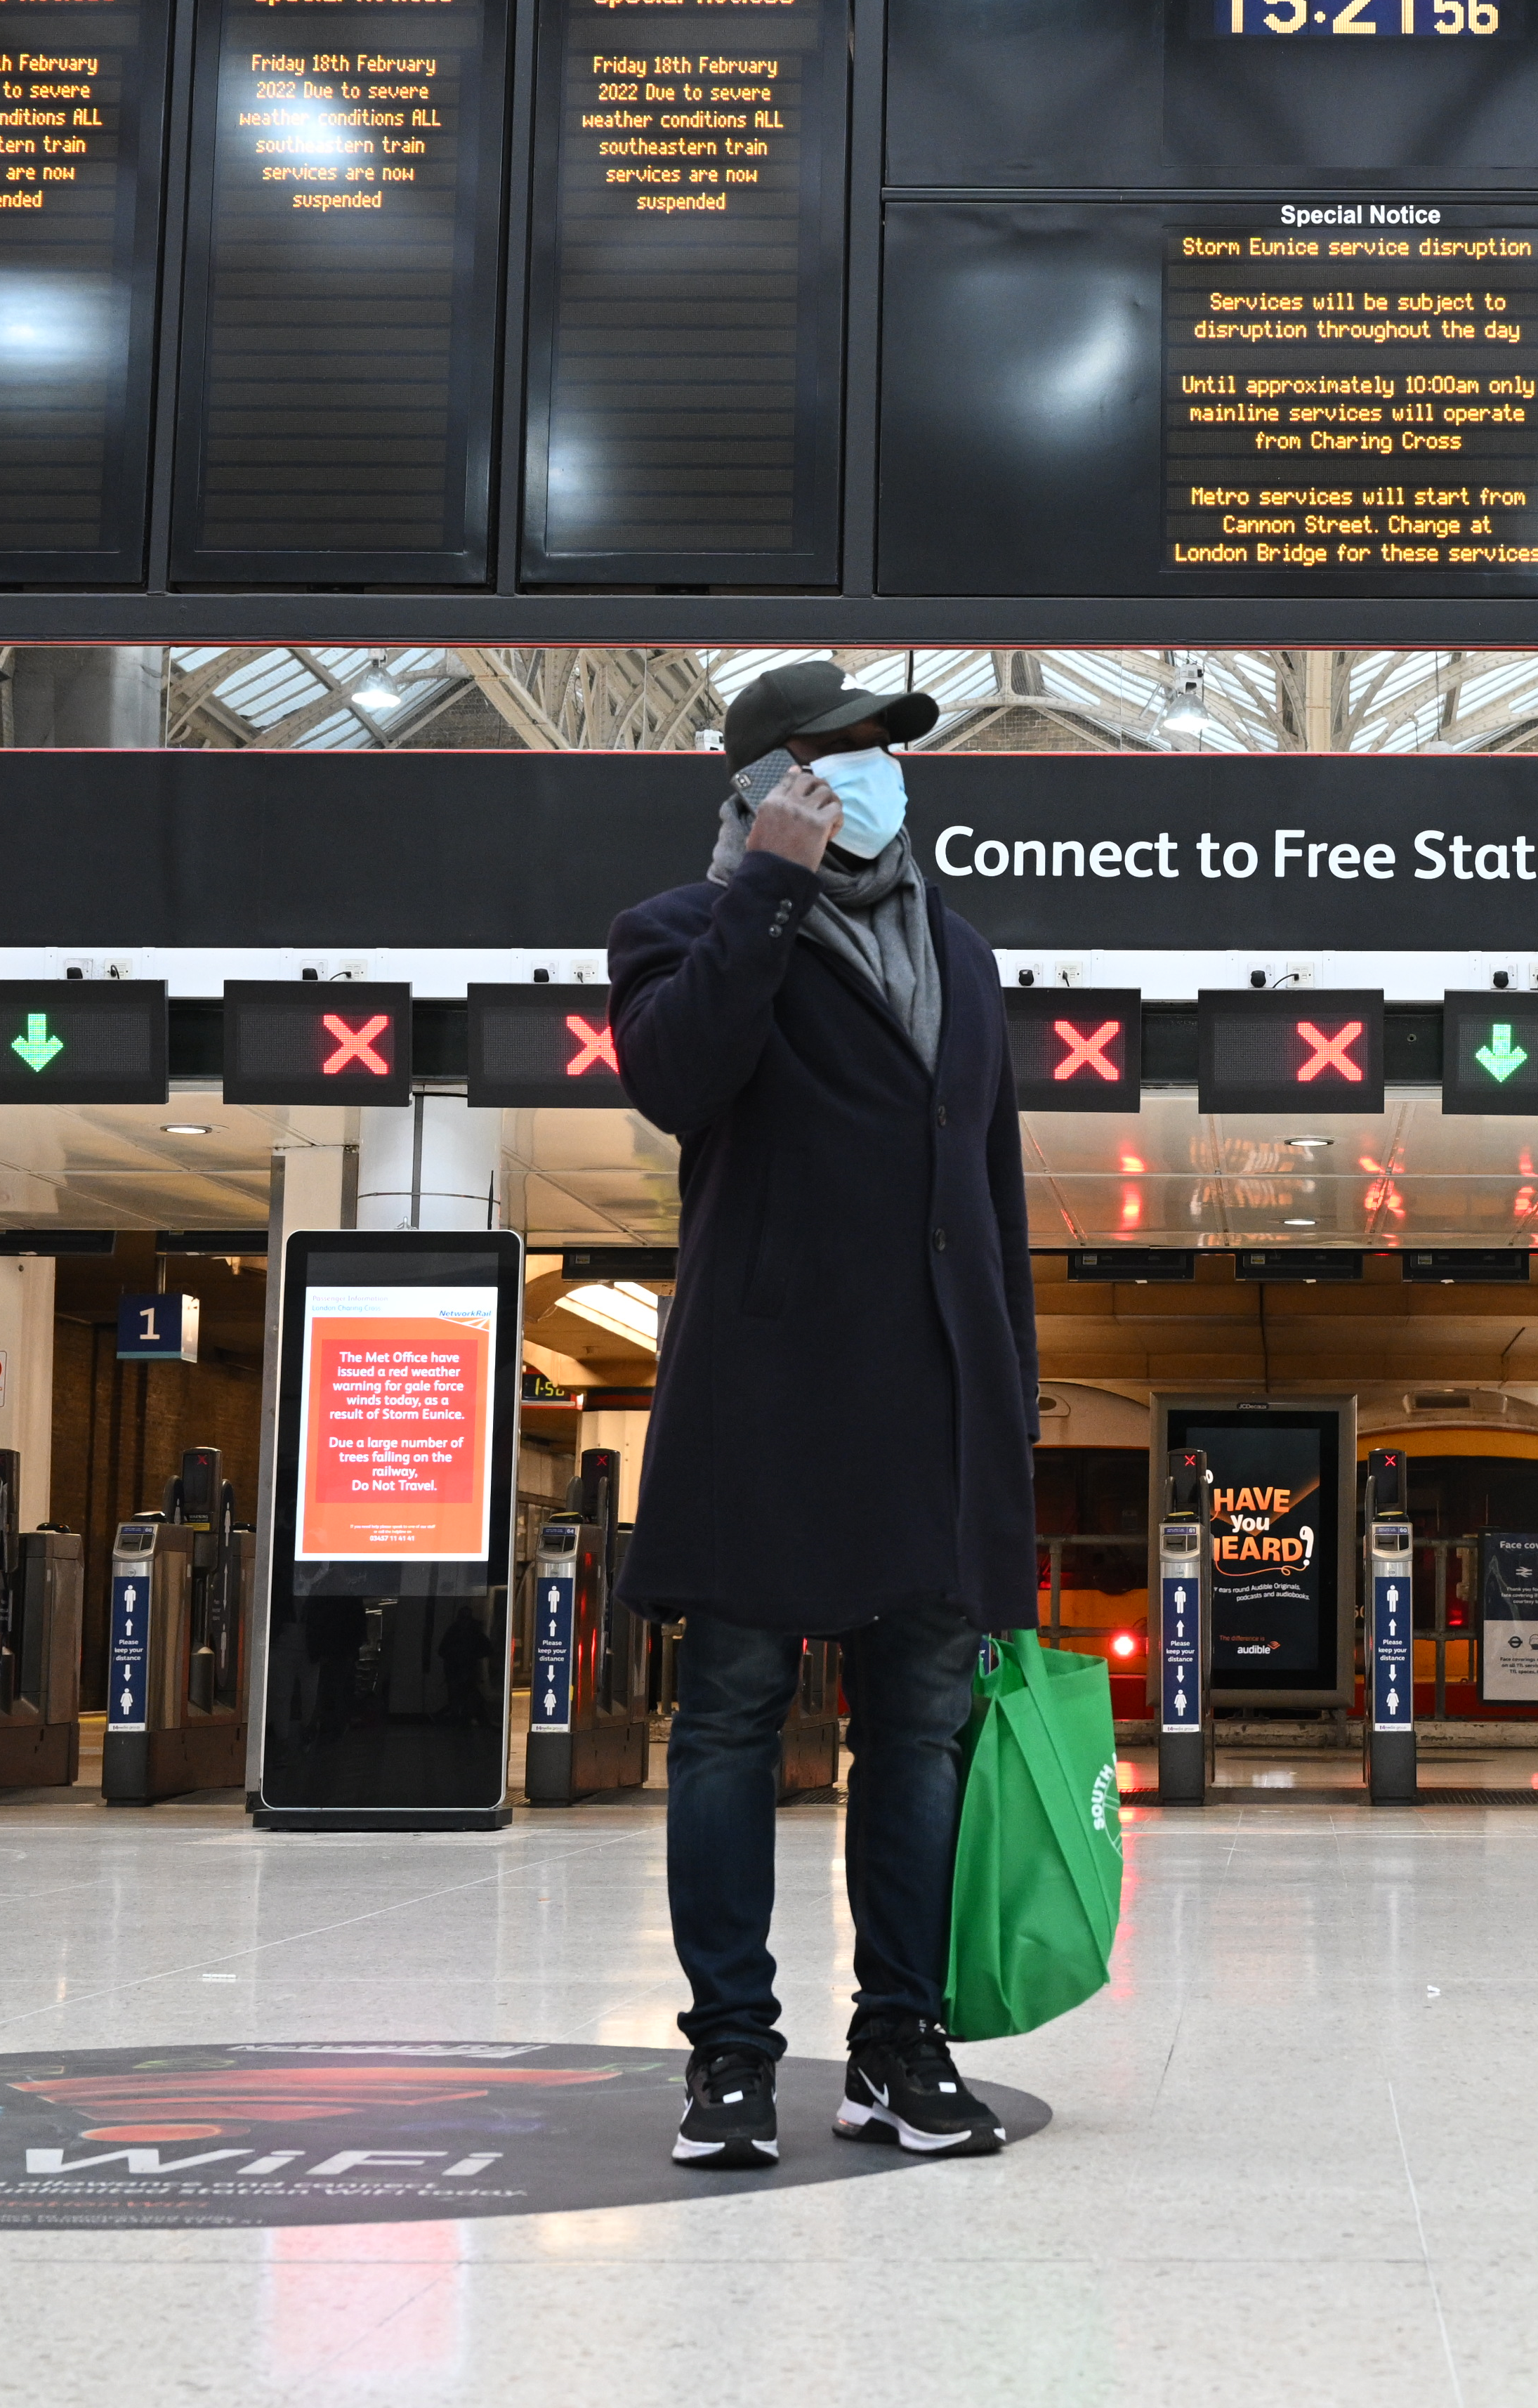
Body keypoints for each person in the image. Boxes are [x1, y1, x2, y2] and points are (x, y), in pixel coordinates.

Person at [605, 660, 1040, 2169]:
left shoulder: (966, 959)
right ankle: (729, 2055)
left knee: (918, 1732)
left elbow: (993, 1205)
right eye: (842, 749)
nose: (874, 770)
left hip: (932, 1405)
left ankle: (898, 2044)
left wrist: (1010, 1415)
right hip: (765, 1398)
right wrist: (768, 898)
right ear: (761, 781)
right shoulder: (682, 931)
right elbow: (677, 1077)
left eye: (885, 748)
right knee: (727, 1720)